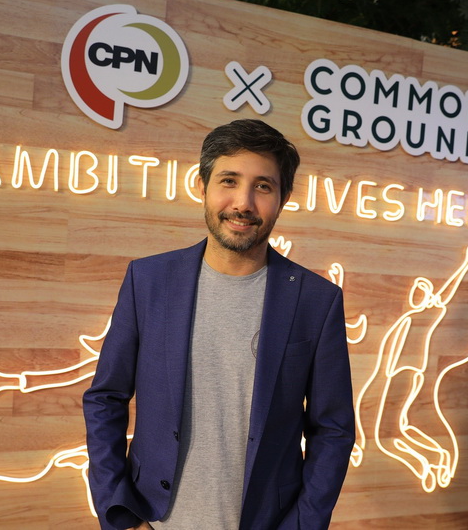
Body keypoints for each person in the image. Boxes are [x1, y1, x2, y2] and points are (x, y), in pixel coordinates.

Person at [82, 119, 355, 530]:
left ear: (283, 198)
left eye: (263, 186)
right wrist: (119, 513)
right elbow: (105, 398)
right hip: (152, 520)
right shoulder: (149, 281)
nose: (243, 202)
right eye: (229, 180)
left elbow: (333, 430)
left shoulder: (317, 300)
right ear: (202, 186)